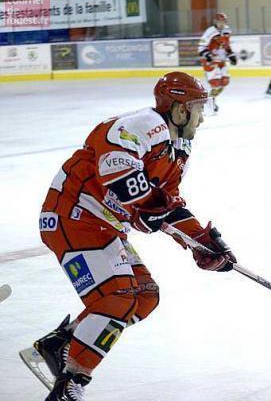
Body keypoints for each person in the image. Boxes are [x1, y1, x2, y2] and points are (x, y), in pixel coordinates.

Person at [32, 72, 237, 400]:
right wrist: (150, 207)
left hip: (104, 226)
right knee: (118, 298)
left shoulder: (178, 150)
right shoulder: (145, 125)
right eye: (198, 108)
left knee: (144, 297)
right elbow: (117, 170)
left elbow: (165, 205)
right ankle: (71, 383)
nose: (202, 117)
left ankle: (62, 343)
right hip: (73, 217)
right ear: (179, 110)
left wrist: (202, 242)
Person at [198, 12, 237, 113]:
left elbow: (226, 45)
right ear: (215, 21)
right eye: (219, 21)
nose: (221, 23)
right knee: (215, 83)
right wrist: (208, 56)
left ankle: (209, 101)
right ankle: (209, 103)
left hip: (222, 60)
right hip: (210, 60)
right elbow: (201, 47)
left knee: (224, 82)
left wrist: (231, 55)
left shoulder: (227, 30)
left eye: (223, 21)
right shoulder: (209, 32)